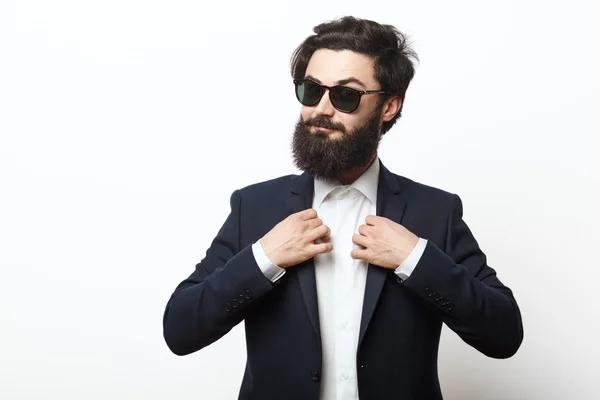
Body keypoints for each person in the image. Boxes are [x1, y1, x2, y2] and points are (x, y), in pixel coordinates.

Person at [162, 15, 524, 400]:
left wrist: (415, 258)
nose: (322, 109)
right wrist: (263, 259)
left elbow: (503, 335)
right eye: (312, 90)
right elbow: (181, 330)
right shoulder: (255, 207)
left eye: (346, 95)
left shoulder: (435, 211)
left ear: (388, 107)